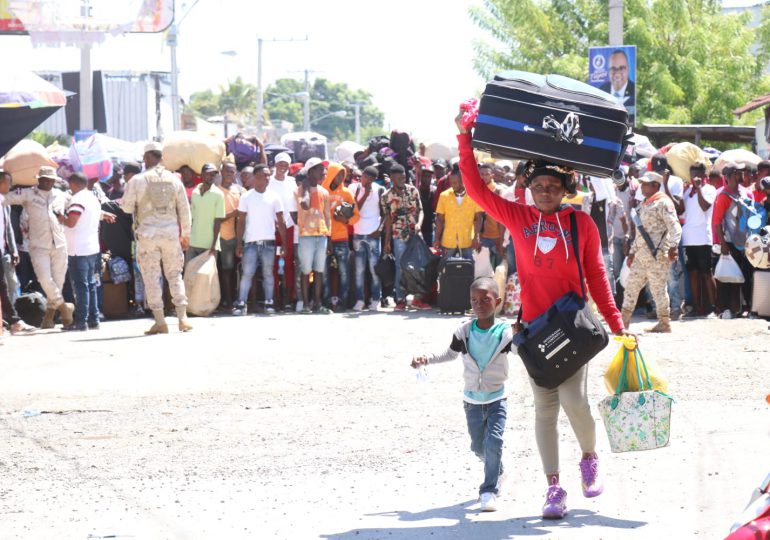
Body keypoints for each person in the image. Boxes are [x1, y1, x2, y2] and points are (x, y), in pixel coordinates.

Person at [457, 111, 630, 520]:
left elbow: (598, 276)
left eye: (553, 186)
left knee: (575, 402)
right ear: (530, 189)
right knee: (544, 410)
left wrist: (617, 322)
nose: (546, 192)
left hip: (572, 328)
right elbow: (477, 191)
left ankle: (589, 458)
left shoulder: (581, 224)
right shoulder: (520, 219)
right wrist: (465, 139)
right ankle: (554, 488)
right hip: (532, 331)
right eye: (538, 186)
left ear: (566, 188)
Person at [411, 277, 513, 512]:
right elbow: (449, 354)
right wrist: (426, 359)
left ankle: (489, 490)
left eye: (485, 300)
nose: (479, 304)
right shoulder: (464, 332)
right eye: (474, 300)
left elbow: (522, 350)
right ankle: (498, 471)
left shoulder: (504, 333)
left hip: (497, 398)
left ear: (497, 302)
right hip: (472, 402)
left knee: (494, 442)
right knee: (478, 447)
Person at [122, 142, 193, 334]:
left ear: (146, 158)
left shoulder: (137, 180)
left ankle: (160, 321)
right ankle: (182, 318)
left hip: (147, 235)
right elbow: (185, 210)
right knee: (174, 274)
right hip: (170, 234)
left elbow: (127, 208)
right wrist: (185, 234)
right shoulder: (175, 180)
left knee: (152, 277)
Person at [2, 166, 74, 329]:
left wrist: (102, 213)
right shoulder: (27, 194)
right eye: (45, 179)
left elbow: (80, 206)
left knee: (58, 282)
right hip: (38, 245)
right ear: (39, 179)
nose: (48, 182)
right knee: (44, 279)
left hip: (60, 244)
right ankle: (65, 308)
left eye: (51, 180)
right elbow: (5, 198)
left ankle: (48, 318)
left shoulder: (61, 195)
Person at [622, 172, 682, 332]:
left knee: (658, 290)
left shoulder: (663, 203)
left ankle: (664, 323)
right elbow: (640, 232)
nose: (642, 186)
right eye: (641, 183)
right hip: (641, 255)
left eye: (645, 184)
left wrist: (674, 246)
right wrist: (633, 252)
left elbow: (675, 226)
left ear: (655, 185)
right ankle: (623, 323)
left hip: (657, 255)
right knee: (631, 287)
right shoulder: (644, 204)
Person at [61, 172, 115, 331]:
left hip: (79, 250)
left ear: (74, 184)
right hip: (92, 248)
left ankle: (81, 322)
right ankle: (93, 319)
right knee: (91, 284)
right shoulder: (92, 197)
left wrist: (59, 218)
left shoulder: (77, 199)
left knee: (81, 286)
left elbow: (71, 222)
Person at [234, 165, 287, 315]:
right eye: (265, 175)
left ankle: (269, 303)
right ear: (256, 176)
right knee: (247, 274)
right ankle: (241, 303)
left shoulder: (274, 197)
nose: (268, 178)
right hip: (250, 243)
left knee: (268, 274)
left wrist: (284, 243)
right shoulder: (246, 197)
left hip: (269, 243)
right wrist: (239, 243)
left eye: (269, 175)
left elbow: (281, 222)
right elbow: (241, 221)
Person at [712, 162, 755, 318]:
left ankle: (747, 307)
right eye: (738, 172)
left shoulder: (746, 193)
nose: (742, 175)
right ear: (729, 176)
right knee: (729, 277)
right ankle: (726, 309)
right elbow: (717, 222)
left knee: (746, 276)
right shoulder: (723, 196)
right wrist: (723, 244)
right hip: (730, 242)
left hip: (748, 242)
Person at [381, 163, 424, 311]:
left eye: (404, 176)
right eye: (399, 177)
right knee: (400, 266)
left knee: (419, 266)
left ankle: (418, 299)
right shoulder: (386, 196)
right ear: (392, 178)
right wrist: (387, 242)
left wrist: (419, 223)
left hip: (415, 234)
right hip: (398, 235)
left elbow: (421, 210)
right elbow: (387, 220)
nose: (402, 179)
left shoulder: (413, 191)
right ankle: (400, 299)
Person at [0, 170, 35, 335]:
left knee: (8, 285)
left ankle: (12, 320)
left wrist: (13, 250)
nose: (10, 186)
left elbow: (8, 229)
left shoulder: (4, 202)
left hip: (3, 251)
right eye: (8, 182)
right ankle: (13, 321)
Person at [321, 163, 360, 312]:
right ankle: (325, 302)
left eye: (342, 175)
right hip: (324, 237)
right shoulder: (322, 192)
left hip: (341, 238)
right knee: (323, 272)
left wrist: (346, 221)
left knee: (344, 272)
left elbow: (356, 215)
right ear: (330, 173)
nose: (340, 178)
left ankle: (343, 302)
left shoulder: (347, 193)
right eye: (337, 174)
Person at [296, 158, 332, 314]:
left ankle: (317, 303)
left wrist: (329, 238)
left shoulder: (324, 192)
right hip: (306, 235)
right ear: (310, 171)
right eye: (319, 169)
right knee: (305, 270)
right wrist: (305, 189)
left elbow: (327, 217)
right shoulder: (300, 189)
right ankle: (305, 305)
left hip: (321, 235)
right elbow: (304, 205)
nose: (323, 172)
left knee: (319, 270)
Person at [681, 163, 717, 318]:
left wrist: (699, 187)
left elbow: (704, 207)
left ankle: (714, 308)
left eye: (698, 175)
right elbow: (681, 211)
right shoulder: (687, 191)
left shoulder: (709, 189)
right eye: (692, 175)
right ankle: (696, 308)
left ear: (704, 176)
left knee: (706, 273)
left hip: (703, 237)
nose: (695, 178)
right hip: (689, 238)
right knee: (693, 274)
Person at [350, 166, 384, 311]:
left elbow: (385, 213)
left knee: (374, 269)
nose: (366, 180)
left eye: (370, 178)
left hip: (373, 234)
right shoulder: (354, 188)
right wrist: (364, 194)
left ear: (374, 179)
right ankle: (359, 300)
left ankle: (376, 299)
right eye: (364, 177)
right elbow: (354, 210)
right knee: (359, 270)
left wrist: (379, 230)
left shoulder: (380, 190)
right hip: (358, 233)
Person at [268, 153, 298, 309]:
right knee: (273, 265)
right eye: (280, 164)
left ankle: (288, 298)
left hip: (289, 228)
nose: (283, 167)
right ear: (275, 164)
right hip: (272, 228)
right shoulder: (269, 182)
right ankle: (274, 298)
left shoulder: (292, 182)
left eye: (286, 165)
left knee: (288, 264)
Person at [434, 168, 483, 262]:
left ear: (463, 181)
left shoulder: (474, 195)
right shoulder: (444, 196)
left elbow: (479, 218)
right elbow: (439, 219)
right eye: (451, 182)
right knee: (446, 267)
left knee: (468, 266)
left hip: (467, 240)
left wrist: (476, 237)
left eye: (455, 182)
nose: (453, 185)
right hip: (449, 240)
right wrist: (436, 238)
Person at [218, 160, 246, 311]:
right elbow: (215, 217)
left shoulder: (241, 191)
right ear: (221, 172)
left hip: (240, 238)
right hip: (224, 238)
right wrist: (233, 214)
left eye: (232, 172)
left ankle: (239, 300)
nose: (229, 174)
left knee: (241, 271)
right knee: (226, 270)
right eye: (227, 171)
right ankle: (228, 302)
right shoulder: (215, 191)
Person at [187, 163, 226, 263]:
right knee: (189, 275)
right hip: (193, 242)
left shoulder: (218, 195)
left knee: (207, 278)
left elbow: (218, 221)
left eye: (214, 174)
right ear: (202, 175)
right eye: (209, 174)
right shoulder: (195, 192)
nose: (212, 177)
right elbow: (192, 218)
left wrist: (213, 245)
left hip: (209, 245)